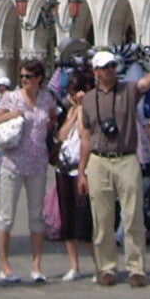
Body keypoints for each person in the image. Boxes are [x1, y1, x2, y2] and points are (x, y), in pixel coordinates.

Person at [79, 49, 150, 287]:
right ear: (96, 71)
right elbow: (86, 136)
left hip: (126, 157)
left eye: (113, 66)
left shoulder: (127, 90)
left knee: (133, 215)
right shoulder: (89, 99)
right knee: (102, 217)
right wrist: (82, 171)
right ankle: (106, 267)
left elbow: (146, 82)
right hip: (99, 159)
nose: (111, 70)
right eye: (106, 67)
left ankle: (136, 268)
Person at [0, 60, 57, 284]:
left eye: (28, 76)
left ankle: (37, 266)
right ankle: (4, 266)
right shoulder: (11, 98)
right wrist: (10, 115)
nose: (24, 80)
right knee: (7, 216)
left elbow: (52, 119)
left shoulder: (46, 99)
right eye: (22, 76)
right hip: (13, 163)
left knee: (37, 216)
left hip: (38, 163)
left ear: (39, 78)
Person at [53, 73, 94, 281]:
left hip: (82, 169)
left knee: (86, 220)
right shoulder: (69, 110)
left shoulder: (91, 110)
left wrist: (81, 109)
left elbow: (82, 132)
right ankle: (74, 265)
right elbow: (61, 135)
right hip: (64, 168)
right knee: (67, 218)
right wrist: (74, 111)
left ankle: (98, 265)